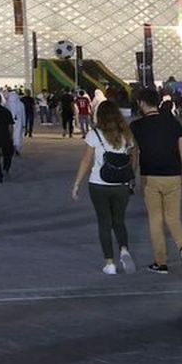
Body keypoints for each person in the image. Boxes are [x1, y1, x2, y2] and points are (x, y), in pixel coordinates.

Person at [130, 88, 182, 275]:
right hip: (173, 175)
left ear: (142, 103)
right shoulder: (173, 123)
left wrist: (132, 175)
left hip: (150, 177)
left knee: (155, 219)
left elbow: (134, 154)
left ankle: (161, 262)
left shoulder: (136, 126)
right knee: (173, 218)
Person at [71, 102, 138, 275]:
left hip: (99, 184)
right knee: (119, 221)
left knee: (104, 223)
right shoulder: (127, 135)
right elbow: (134, 159)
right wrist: (131, 178)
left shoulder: (94, 134)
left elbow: (86, 161)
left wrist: (77, 184)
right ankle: (124, 250)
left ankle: (109, 263)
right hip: (121, 185)